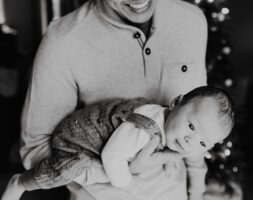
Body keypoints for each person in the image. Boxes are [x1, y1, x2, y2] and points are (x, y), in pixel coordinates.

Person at [17, 0, 208, 199]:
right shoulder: (62, 40)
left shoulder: (192, 20)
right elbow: (35, 149)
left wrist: (197, 191)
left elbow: (199, 116)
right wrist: (123, 167)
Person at [2, 86, 235, 200]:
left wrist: (169, 161)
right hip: (77, 142)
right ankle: (21, 183)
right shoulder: (146, 127)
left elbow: (167, 147)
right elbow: (113, 156)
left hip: (107, 138)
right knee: (66, 171)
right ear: (176, 103)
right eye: (191, 126)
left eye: (203, 143)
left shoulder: (169, 126)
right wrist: (127, 182)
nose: (189, 141)